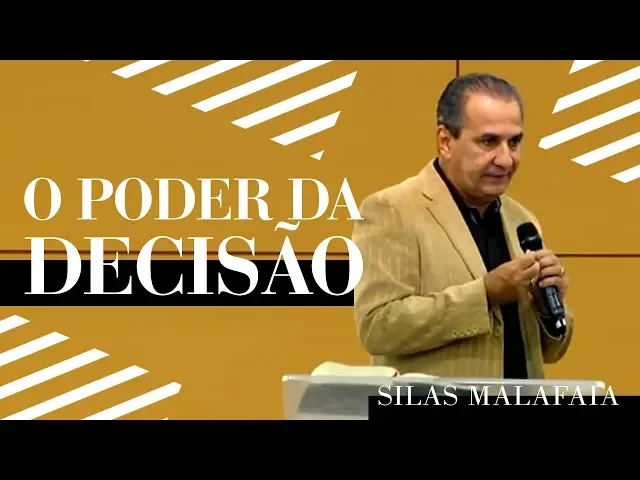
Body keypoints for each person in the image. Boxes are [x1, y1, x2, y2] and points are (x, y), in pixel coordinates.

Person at [352, 73, 573, 379]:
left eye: (514, 142)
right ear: (445, 141)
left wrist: (549, 308)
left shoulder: (522, 220)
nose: (506, 159)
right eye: (489, 141)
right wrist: (485, 294)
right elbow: (377, 327)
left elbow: (550, 351)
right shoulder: (391, 210)